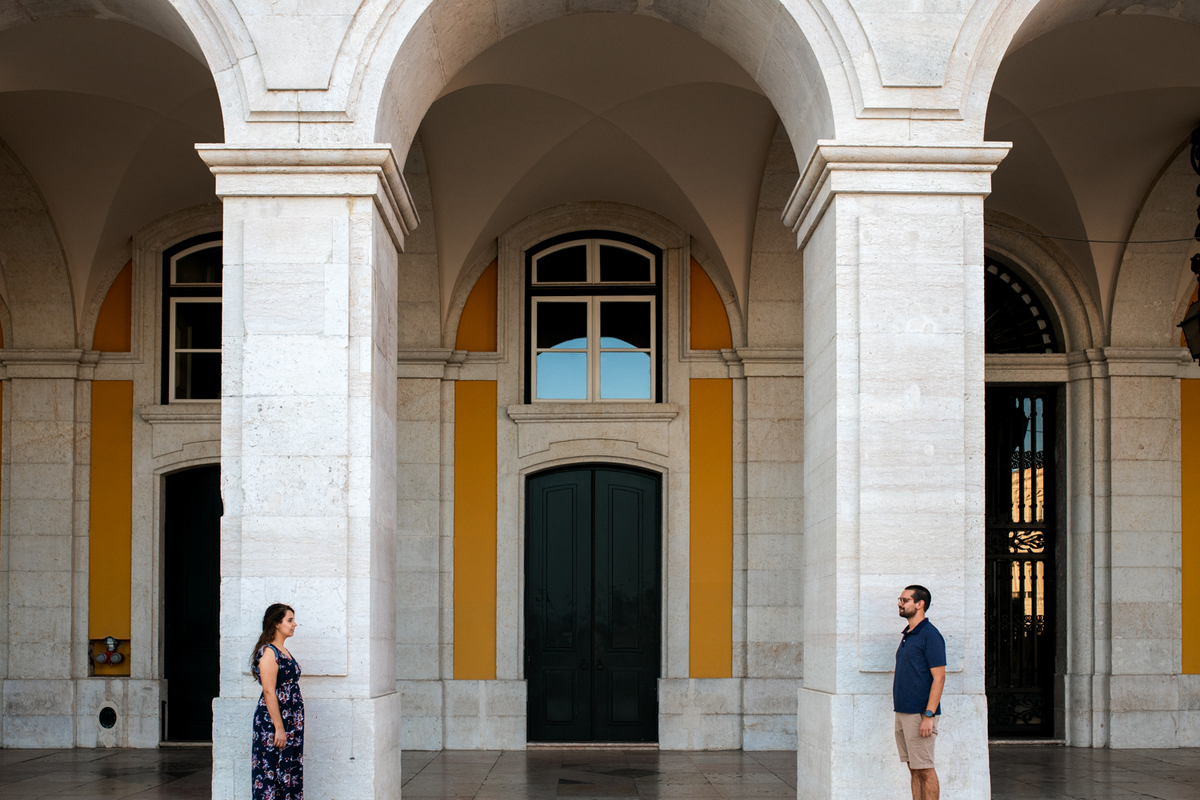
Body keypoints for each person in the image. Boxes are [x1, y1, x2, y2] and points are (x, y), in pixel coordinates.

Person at [894, 585, 946, 800]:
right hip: (903, 712)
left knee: (925, 769)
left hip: (920, 714)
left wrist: (928, 715)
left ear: (919, 604)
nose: (900, 603)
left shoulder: (930, 635)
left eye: (905, 600)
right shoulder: (909, 634)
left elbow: (939, 677)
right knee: (914, 769)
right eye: (900, 599)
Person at [251, 603, 304, 800]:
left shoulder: (282, 650)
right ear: (276, 623)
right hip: (274, 721)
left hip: (290, 719)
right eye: (289, 620)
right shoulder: (269, 652)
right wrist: (279, 728)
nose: (294, 624)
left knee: (288, 770)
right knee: (271, 770)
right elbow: (268, 691)